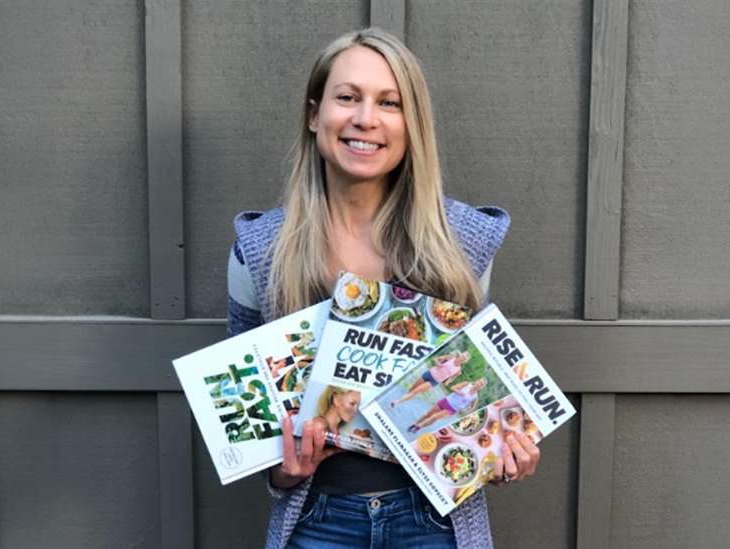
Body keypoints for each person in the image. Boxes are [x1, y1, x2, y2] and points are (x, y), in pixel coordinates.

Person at [226, 27, 541, 549]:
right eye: (347, 97)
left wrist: (504, 457)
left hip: (436, 525)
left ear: (411, 124)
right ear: (313, 114)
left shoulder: (463, 244)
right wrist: (284, 471)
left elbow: (478, 402)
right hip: (317, 523)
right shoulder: (260, 251)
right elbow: (249, 429)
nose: (365, 118)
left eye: (389, 103)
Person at [390, 351, 471, 408]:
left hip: (434, 381)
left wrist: (447, 382)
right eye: (462, 356)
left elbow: (452, 378)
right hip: (429, 373)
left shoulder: (458, 371)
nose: (462, 359)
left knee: (415, 391)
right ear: (460, 355)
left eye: (464, 359)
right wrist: (438, 364)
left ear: (464, 361)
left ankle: (397, 402)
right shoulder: (450, 357)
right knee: (412, 389)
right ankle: (403, 399)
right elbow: (436, 359)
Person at [406, 378, 487, 433]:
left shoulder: (475, 397)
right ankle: (415, 424)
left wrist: (464, 409)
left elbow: (472, 408)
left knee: (434, 417)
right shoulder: (466, 384)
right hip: (446, 400)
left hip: (451, 409)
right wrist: (458, 392)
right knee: (428, 414)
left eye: (482, 384)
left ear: (482, 388)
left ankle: (418, 426)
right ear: (477, 381)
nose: (480, 384)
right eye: (480, 382)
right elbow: (453, 387)